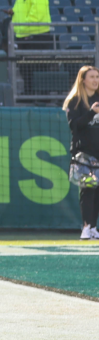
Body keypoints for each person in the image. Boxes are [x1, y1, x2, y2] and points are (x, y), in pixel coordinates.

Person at [64, 66, 99, 239]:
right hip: (85, 154)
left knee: (98, 191)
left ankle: (93, 227)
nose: (95, 80)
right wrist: (92, 112)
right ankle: (86, 227)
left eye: (97, 77)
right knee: (88, 189)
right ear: (83, 79)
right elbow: (74, 126)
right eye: (91, 77)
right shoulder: (76, 101)